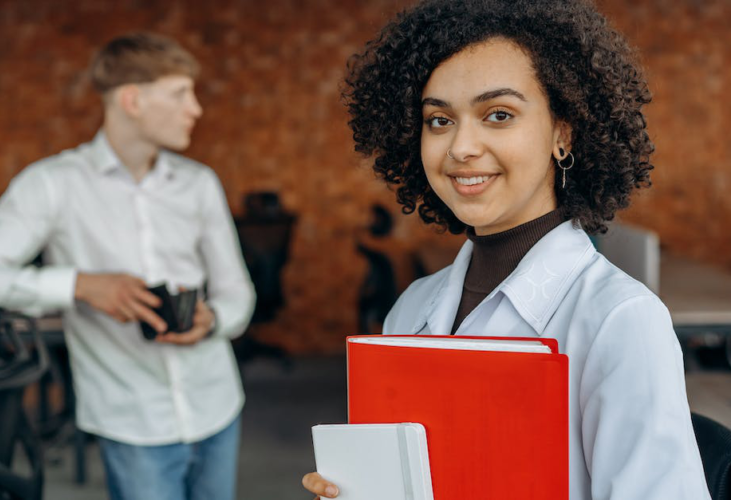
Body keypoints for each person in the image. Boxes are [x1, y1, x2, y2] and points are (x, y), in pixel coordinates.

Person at [303, 0, 711, 498]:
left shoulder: (619, 320)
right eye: (439, 120)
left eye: (498, 114)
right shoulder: (411, 310)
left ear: (563, 132)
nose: (460, 147)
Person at [0, 32, 255, 500]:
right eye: (181, 93)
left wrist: (214, 319)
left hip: (217, 406)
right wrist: (79, 285)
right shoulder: (51, 185)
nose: (196, 109)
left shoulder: (200, 184)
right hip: (131, 421)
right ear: (132, 100)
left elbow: (238, 294)